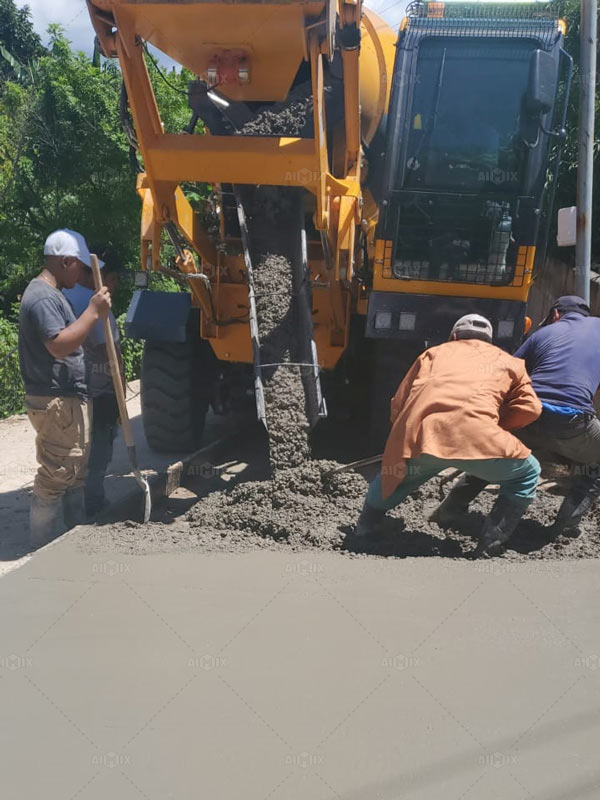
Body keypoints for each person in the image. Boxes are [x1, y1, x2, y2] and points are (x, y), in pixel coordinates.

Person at [355, 314, 542, 557]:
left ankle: (365, 527)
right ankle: (490, 544)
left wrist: (403, 439)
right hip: (480, 439)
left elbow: (398, 404)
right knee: (528, 473)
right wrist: (495, 430)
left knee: (396, 475)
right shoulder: (509, 362)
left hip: (424, 437)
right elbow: (531, 409)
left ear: (453, 337)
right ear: (490, 341)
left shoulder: (432, 354)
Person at [437, 296, 600, 537]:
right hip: (574, 421)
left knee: (495, 456)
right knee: (594, 464)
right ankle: (565, 525)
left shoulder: (543, 334)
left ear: (555, 315)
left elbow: (508, 374)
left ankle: (449, 511)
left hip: (527, 413)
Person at [18, 229, 112, 547]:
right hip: (56, 400)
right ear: (66, 261)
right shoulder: (43, 297)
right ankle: (41, 550)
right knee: (55, 477)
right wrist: (93, 311)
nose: (82, 277)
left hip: (67, 399)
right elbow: (58, 346)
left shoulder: (52, 294)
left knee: (73, 475)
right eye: (80, 269)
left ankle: (73, 542)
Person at [63, 247, 124, 517]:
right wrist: (120, 388)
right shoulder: (99, 308)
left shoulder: (63, 297)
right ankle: (94, 503)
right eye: (115, 279)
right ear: (104, 276)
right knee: (98, 451)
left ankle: (71, 509)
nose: (116, 286)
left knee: (72, 452)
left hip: (68, 391)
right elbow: (110, 355)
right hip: (99, 393)